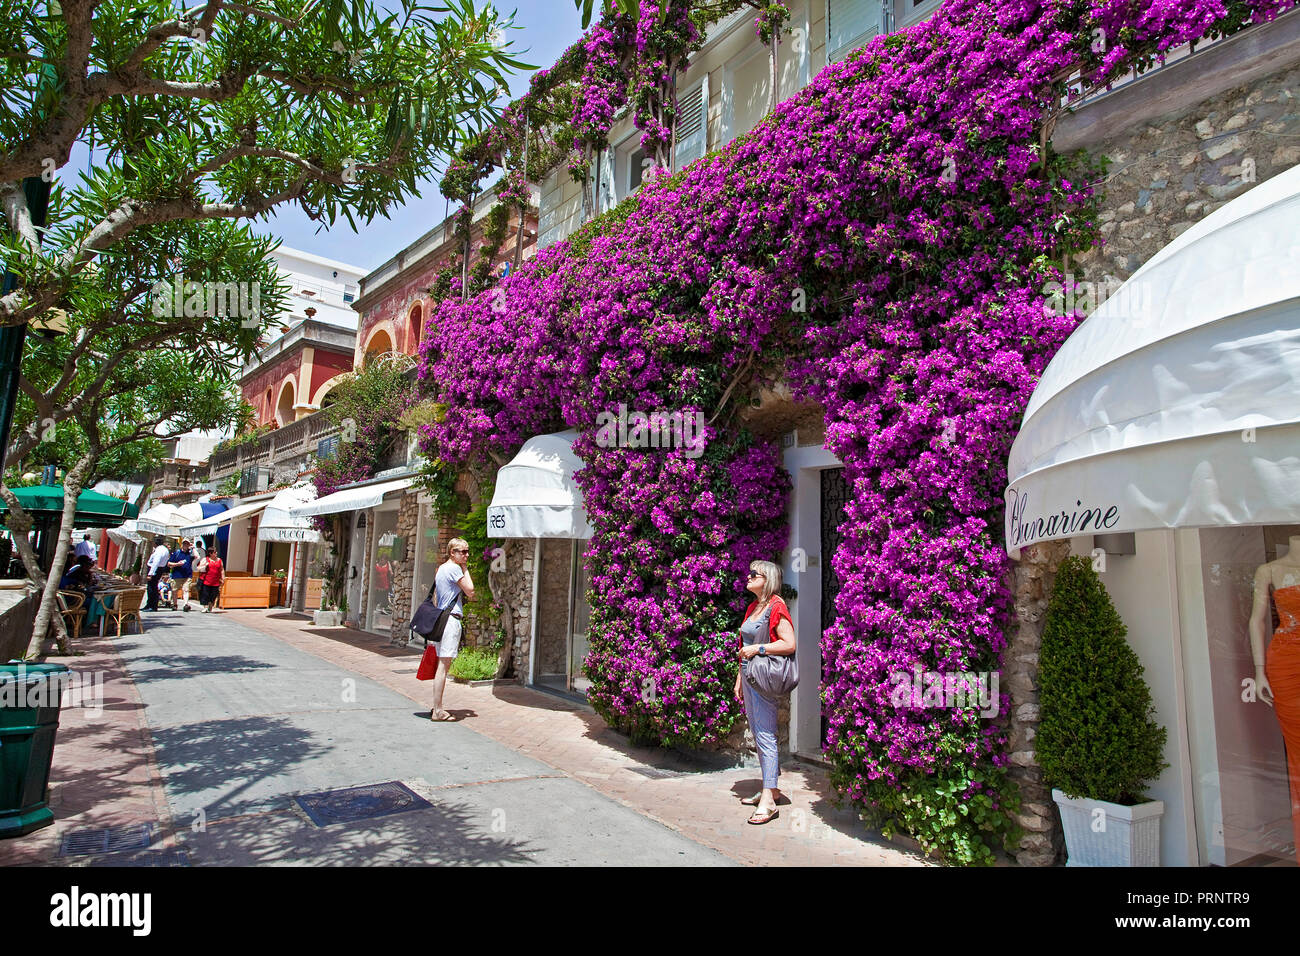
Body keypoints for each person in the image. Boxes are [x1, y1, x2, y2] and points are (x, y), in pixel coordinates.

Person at [733, 559, 796, 825]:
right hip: (748, 676)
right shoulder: (754, 607)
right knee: (759, 734)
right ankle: (772, 789)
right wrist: (739, 678)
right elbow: (744, 644)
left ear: (767, 579)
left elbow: (789, 643)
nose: (747, 577)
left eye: (753, 574)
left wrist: (758, 650)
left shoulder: (776, 606)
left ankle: (769, 802)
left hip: (763, 678)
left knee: (766, 735)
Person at [428, 538, 474, 722]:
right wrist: (465, 568)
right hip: (450, 620)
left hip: (441, 620)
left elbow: (436, 597)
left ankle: (437, 706)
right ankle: (438, 710)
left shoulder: (441, 569)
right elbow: (470, 590)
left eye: (467, 551)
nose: (466, 555)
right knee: (443, 666)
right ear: (451, 552)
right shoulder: (454, 569)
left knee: (442, 664)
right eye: (462, 552)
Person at [144, 535, 171, 611]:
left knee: (151, 588)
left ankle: (152, 606)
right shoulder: (164, 549)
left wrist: (150, 574)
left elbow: (156, 562)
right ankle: (149, 604)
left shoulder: (159, 550)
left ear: (155, 543)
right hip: (160, 568)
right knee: (154, 587)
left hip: (155, 569)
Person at [168, 538, 195, 611]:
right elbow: (169, 563)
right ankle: (175, 604)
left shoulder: (190, 553)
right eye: (184, 543)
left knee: (186, 590)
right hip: (177, 575)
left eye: (187, 544)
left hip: (187, 575)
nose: (186, 545)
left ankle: (185, 604)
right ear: (182, 544)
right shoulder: (177, 553)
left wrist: (194, 548)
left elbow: (197, 557)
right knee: (174, 590)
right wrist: (177, 564)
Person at [197, 546, 225, 613]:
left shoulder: (219, 560)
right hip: (206, 580)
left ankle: (210, 605)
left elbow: (222, 569)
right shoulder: (205, 560)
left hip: (215, 581)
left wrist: (223, 577)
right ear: (210, 553)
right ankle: (205, 606)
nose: (216, 553)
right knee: (205, 594)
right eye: (214, 552)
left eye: (216, 552)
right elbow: (199, 568)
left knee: (213, 594)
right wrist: (205, 565)